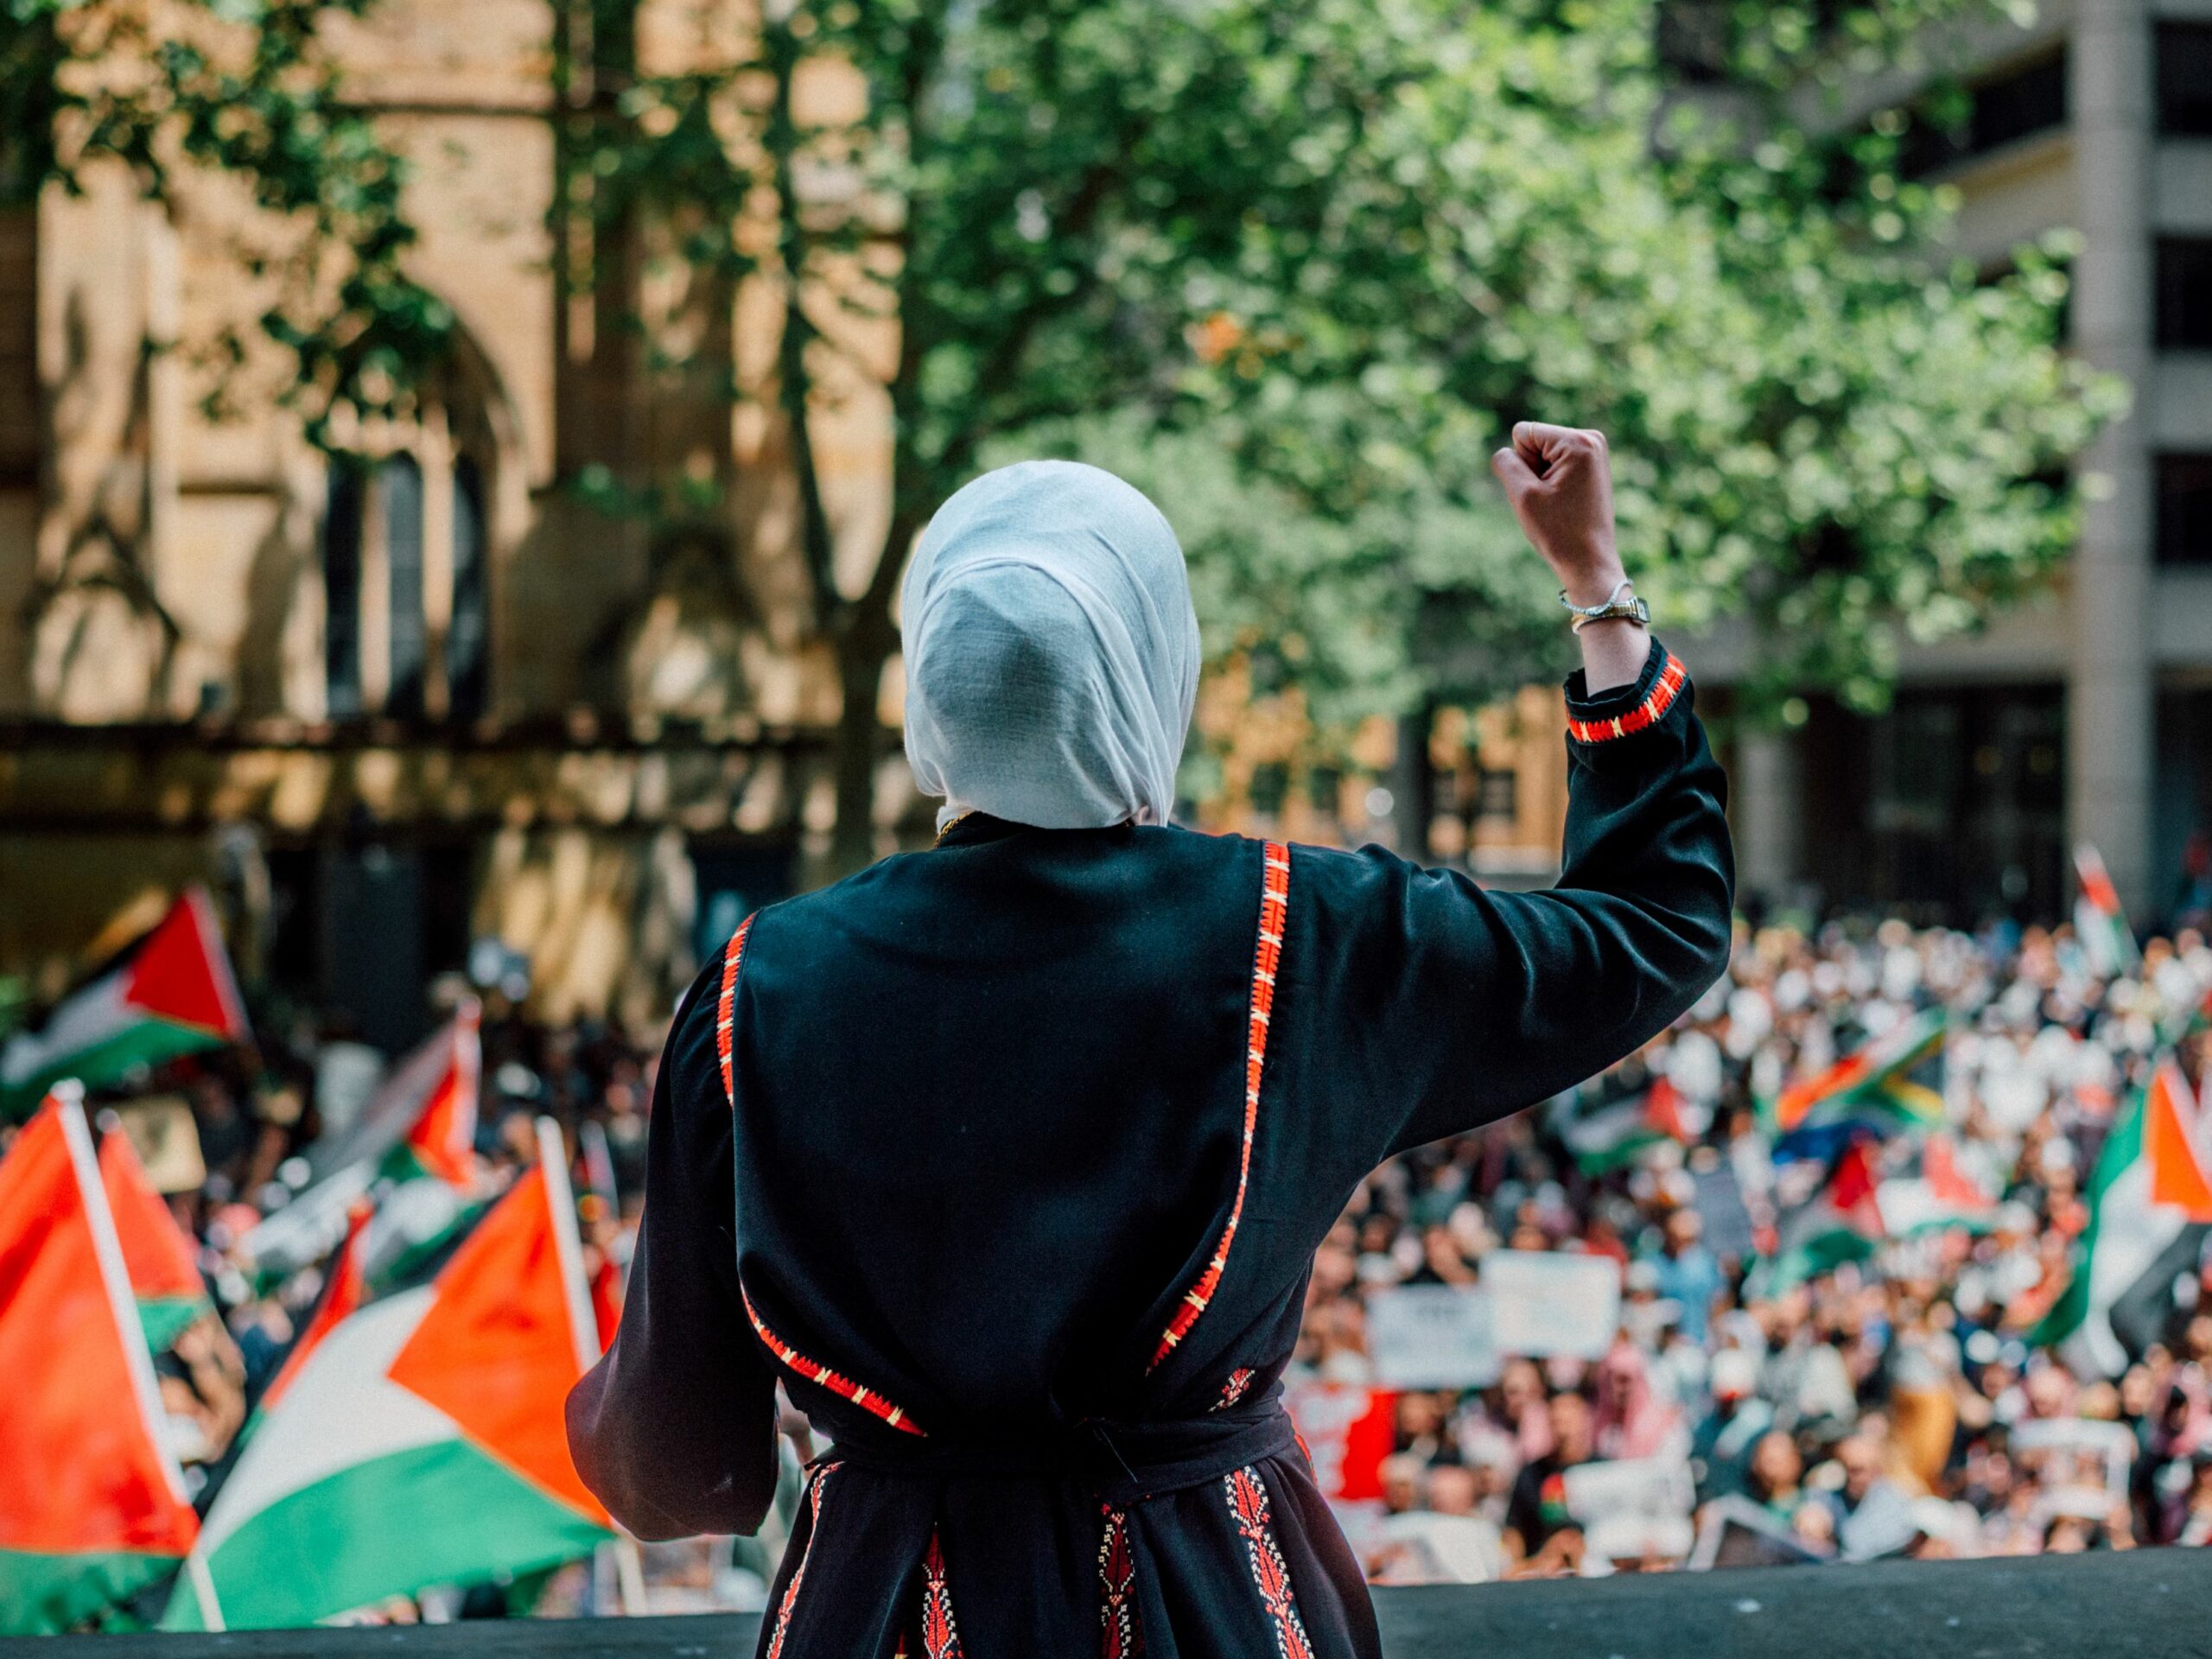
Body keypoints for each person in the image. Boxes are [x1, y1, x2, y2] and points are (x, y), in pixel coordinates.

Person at [565, 426, 1734, 1657]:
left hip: (888, 1607)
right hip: (1210, 1599)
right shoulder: (1303, 935)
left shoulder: (759, 983)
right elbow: (1657, 925)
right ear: (1150, 667)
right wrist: (1598, 589)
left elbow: (671, 1465)